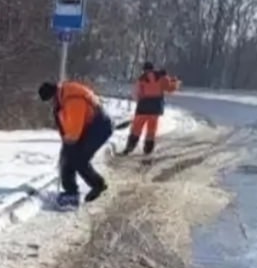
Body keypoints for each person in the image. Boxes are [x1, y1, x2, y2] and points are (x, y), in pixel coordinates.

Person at [37, 79, 114, 208]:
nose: (51, 104)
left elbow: (74, 132)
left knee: (79, 158)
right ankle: (70, 192)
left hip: (100, 127)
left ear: (53, 95)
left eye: (50, 100)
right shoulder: (62, 97)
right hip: (87, 127)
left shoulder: (72, 100)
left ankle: (98, 184)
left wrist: (68, 145)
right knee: (67, 158)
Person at [122, 61, 180, 157]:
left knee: (136, 128)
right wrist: (175, 82)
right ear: (153, 68)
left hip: (143, 107)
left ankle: (129, 147)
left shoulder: (141, 79)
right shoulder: (161, 77)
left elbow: (136, 94)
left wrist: (140, 100)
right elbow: (169, 88)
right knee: (151, 130)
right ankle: (147, 150)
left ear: (144, 69)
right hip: (155, 108)